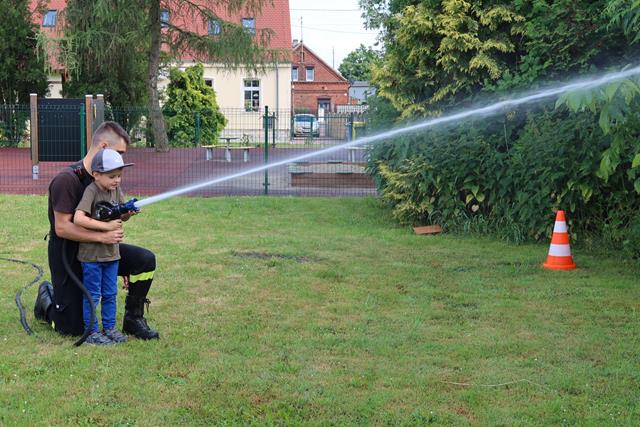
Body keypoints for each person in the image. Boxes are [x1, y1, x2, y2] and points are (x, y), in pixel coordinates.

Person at [35, 121, 159, 340]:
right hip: (69, 254)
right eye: (119, 152)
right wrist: (104, 235)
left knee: (144, 260)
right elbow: (62, 228)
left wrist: (125, 215)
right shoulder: (67, 180)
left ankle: (133, 319)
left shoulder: (109, 178)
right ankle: (46, 299)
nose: (121, 160)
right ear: (103, 147)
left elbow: (111, 215)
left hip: (101, 249)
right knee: (72, 327)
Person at [74, 149, 135, 345]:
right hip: (92, 256)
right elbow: (78, 218)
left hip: (112, 254)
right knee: (93, 295)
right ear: (96, 175)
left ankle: (109, 328)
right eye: (112, 176)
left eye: (119, 176)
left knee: (110, 294)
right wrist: (106, 227)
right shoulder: (91, 191)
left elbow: (121, 215)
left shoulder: (116, 190)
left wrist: (128, 212)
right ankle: (91, 332)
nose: (116, 180)